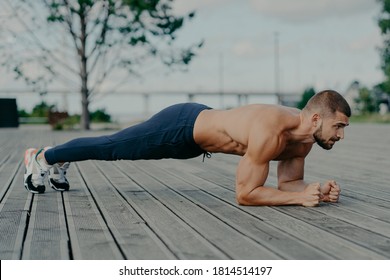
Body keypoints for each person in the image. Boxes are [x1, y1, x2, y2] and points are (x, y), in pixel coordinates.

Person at [24, 89, 351, 207]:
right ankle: (43, 156)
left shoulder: (304, 142)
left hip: (195, 139)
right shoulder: (272, 129)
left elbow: (286, 184)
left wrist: (315, 190)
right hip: (180, 127)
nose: (341, 135)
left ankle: (59, 158)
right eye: (338, 126)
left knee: (112, 146)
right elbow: (246, 194)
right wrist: (297, 198)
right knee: (113, 146)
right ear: (316, 118)